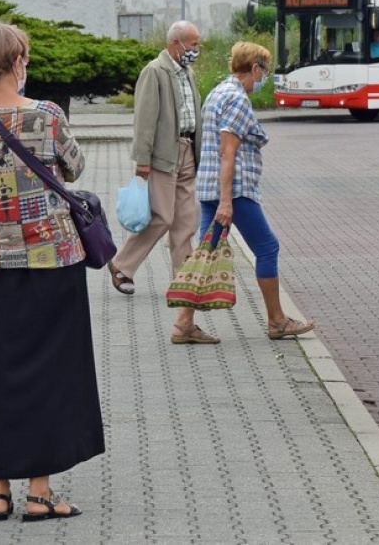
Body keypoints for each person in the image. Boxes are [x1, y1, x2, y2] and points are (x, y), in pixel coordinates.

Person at [0, 20, 102, 522]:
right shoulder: (48, 116)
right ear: (17, 62)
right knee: (54, 373)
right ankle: (40, 492)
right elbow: (75, 168)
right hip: (52, 261)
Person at [196, 41, 314, 341]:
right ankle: (277, 321)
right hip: (234, 191)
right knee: (267, 247)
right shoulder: (236, 99)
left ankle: (183, 323)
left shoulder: (217, 92)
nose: (266, 77)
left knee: (205, 254)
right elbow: (228, 152)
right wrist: (226, 201)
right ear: (255, 68)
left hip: (209, 185)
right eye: (266, 70)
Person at [109, 20, 207, 342]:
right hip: (163, 154)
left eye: (198, 45)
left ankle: (183, 283)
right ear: (176, 43)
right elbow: (145, 118)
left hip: (187, 151)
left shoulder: (188, 73)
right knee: (163, 216)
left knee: (185, 223)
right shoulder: (155, 71)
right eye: (193, 45)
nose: (196, 50)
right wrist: (143, 161)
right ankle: (121, 264)